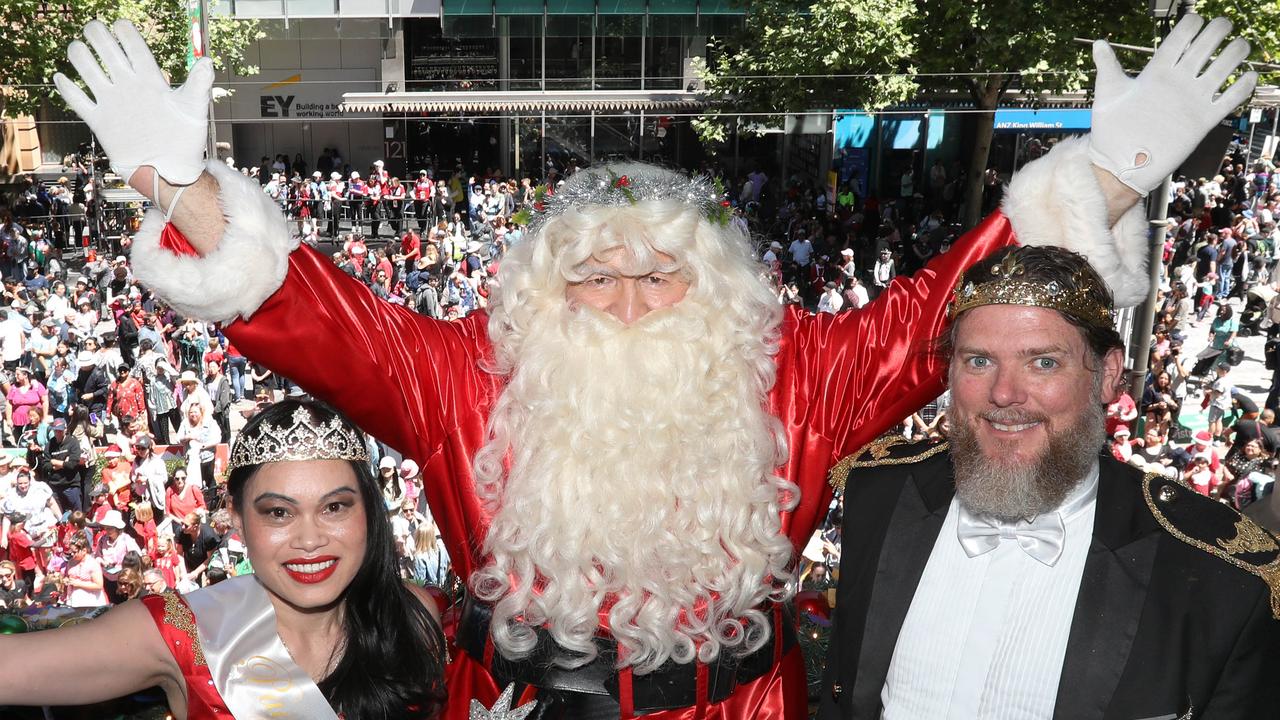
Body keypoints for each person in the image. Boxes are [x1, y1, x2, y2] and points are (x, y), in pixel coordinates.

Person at [56, 15, 1254, 719]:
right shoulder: (460, 377)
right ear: (543, 293)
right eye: (590, 278)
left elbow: (939, 307)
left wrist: (1108, 170)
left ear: (714, 288)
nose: (625, 304)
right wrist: (182, 190)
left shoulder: (799, 376)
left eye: (658, 276)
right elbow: (312, 307)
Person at [817, 245, 1280, 718]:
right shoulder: (879, 492)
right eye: (979, 360)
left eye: (1043, 363)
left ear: (1108, 375)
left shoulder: (1221, 582)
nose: (1004, 393)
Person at [0, 399, 448, 719]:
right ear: (236, 518)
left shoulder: (413, 615)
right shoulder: (181, 634)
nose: (310, 539)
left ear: (368, 510)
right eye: (278, 512)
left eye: (335, 507)